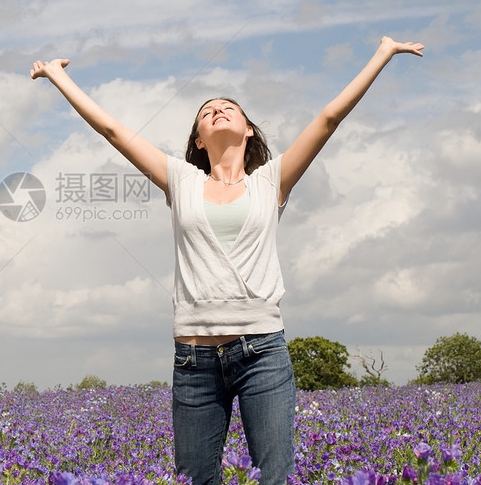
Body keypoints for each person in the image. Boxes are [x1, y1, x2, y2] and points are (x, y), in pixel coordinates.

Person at [30, 36, 424, 485]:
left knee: (275, 477)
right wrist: (60, 77)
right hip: (193, 360)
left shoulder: (270, 182)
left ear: (249, 129)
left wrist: (383, 53)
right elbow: (114, 131)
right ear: (198, 139)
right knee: (195, 479)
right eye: (206, 110)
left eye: (228, 106)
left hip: (263, 353)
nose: (217, 109)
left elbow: (329, 118)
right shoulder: (180, 180)